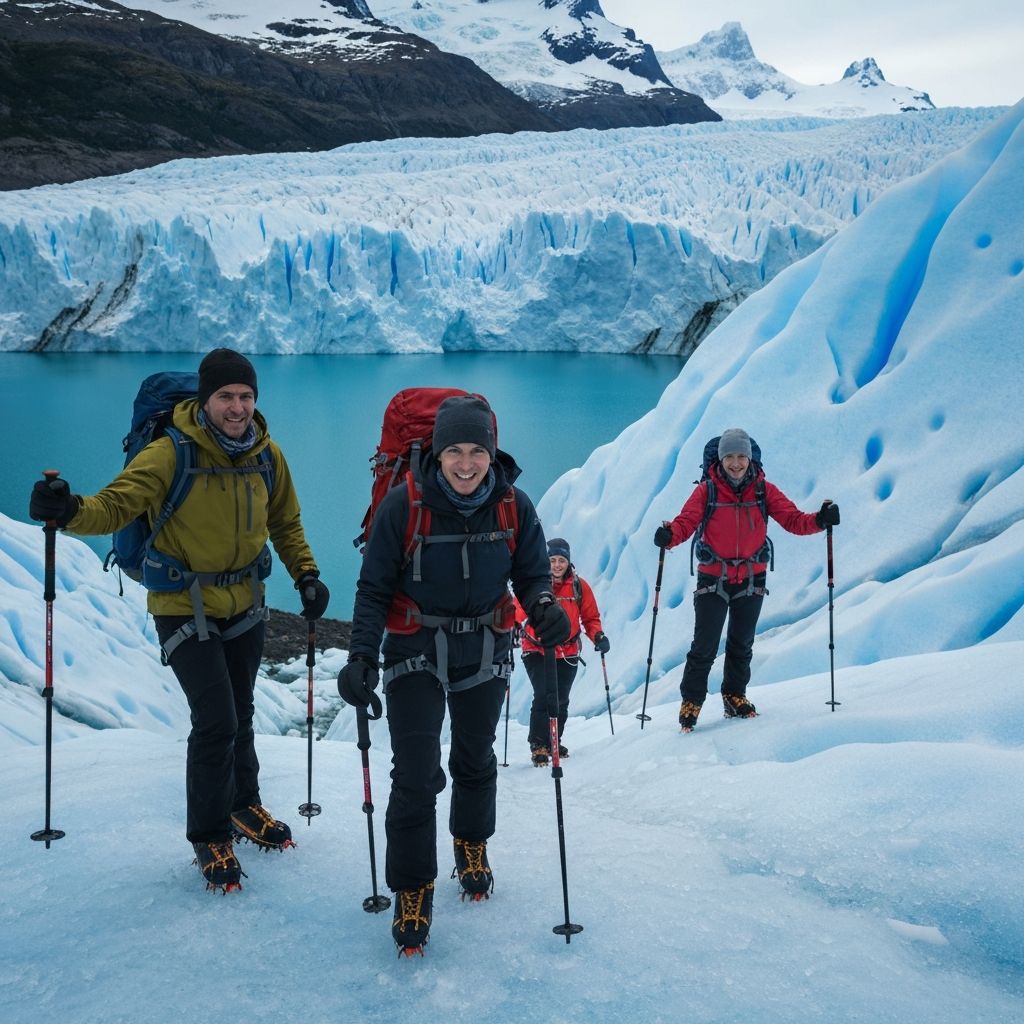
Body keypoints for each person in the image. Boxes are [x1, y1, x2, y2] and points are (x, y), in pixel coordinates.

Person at [28, 348, 329, 891]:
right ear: (204, 400)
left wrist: (305, 574)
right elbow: (117, 505)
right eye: (225, 397)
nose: (236, 407)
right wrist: (68, 511)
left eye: (245, 396)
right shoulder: (171, 453)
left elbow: (286, 521)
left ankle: (245, 805)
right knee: (216, 719)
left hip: (246, 604)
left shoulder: (267, 455)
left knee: (240, 708)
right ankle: (209, 834)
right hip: (181, 606)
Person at [337, 394, 569, 955]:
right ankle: (413, 887)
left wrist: (543, 607)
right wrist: (362, 656)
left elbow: (532, 573)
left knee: (474, 755)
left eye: (476, 452)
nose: (466, 464)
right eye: (454, 453)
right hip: (413, 648)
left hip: (485, 646)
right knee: (415, 772)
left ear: (492, 452)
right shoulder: (403, 506)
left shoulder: (515, 506)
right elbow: (373, 590)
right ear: (437, 455)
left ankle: (471, 843)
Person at [653, 428, 839, 731]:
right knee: (704, 646)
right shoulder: (707, 490)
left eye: (741, 456)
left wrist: (820, 519)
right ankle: (692, 701)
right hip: (713, 578)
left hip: (752, 579)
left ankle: (734, 695)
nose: (736, 463)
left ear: (750, 458)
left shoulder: (764, 489)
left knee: (742, 644)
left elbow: (793, 520)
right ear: (721, 459)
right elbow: (686, 523)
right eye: (730, 457)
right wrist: (669, 535)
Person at [514, 537, 609, 766]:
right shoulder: (535, 585)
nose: (556, 565)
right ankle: (539, 744)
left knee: (561, 699)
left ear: (568, 561)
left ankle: (553, 740)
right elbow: (518, 610)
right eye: (552, 560)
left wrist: (598, 636)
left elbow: (590, 617)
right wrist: (512, 629)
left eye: (561, 560)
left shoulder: (579, 586)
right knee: (545, 693)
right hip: (536, 648)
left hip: (568, 650)